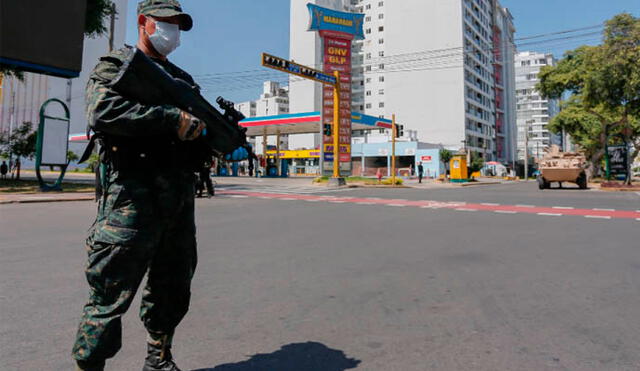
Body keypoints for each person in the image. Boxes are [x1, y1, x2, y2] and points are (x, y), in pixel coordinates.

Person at [72, 1, 247, 370]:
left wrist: (211, 137)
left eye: (178, 25)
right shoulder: (117, 66)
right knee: (109, 293)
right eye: (166, 23)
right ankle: (90, 366)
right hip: (129, 201)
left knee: (172, 287)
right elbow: (102, 111)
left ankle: (159, 358)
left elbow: (199, 138)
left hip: (178, 202)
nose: (173, 32)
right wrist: (169, 118)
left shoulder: (184, 82)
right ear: (143, 22)